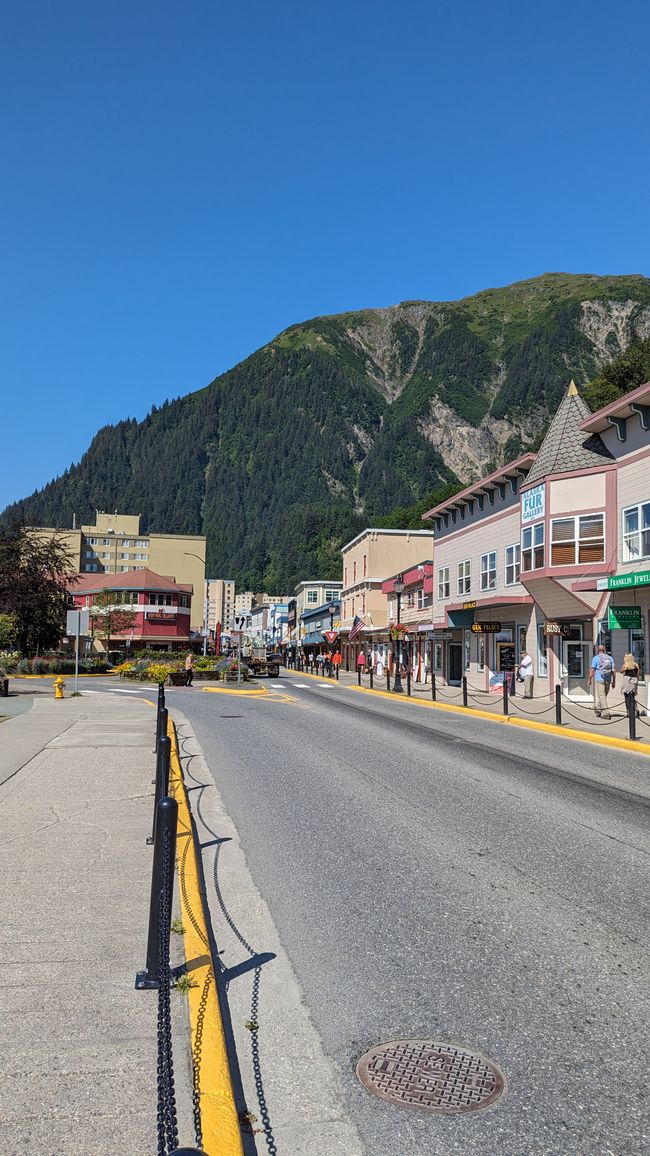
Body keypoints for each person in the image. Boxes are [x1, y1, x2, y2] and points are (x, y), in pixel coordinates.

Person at [588, 644, 616, 718]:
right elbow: (613, 671)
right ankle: (599, 709)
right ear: (604, 650)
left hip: (599, 680)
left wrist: (589, 679)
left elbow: (592, 670)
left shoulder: (595, 658)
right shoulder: (610, 658)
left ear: (598, 650)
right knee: (603, 696)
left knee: (602, 696)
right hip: (608, 679)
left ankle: (605, 713)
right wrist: (614, 681)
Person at [619, 652, 640, 718]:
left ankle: (629, 712)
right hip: (634, 681)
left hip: (627, 681)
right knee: (632, 696)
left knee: (627, 697)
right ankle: (635, 707)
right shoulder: (636, 665)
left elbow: (621, 671)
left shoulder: (625, 665)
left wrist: (624, 669)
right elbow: (637, 674)